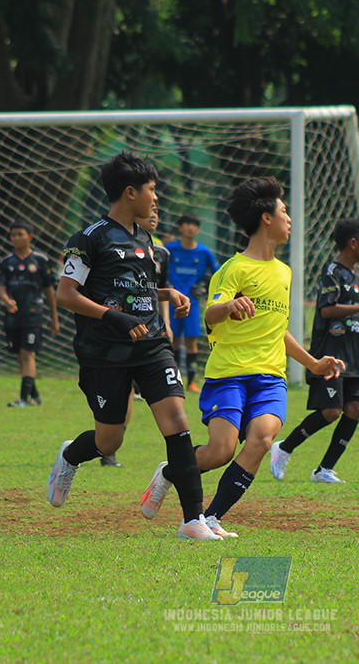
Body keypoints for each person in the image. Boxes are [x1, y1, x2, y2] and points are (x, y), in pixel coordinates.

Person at [139, 177, 344, 538]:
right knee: (220, 451)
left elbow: (276, 329)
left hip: (269, 376)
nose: (288, 218)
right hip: (229, 374)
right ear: (266, 218)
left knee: (263, 439)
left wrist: (312, 363)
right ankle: (171, 471)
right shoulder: (233, 269)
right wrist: (229, 305)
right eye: (283, 211)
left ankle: (210, 518)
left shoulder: (285, 272)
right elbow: (210, 314)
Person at [44, 151, 220, 541]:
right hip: (104, 351)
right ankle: (72, 455)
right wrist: (112, 317)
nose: (156, 198)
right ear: (129, 192)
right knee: (110, 439)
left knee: (177, 421)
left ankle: (194, 520)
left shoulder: (151, 243)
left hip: (152, 344)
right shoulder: (88, 239)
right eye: (152, 190)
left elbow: (134, 289)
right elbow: (66, 295)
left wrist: (166, 292)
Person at [269, 218, 359, 484]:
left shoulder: (353, 277)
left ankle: (324, 469)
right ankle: (284, 448)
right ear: (353, 243)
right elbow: (327, 309)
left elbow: (349, 317)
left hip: (355, 356)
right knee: (331, 411)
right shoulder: (332, 272)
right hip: (332, 353)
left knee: (355, 408)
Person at [111, 210, 175, 470]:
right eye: (149, 209)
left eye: (157, 211)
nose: (153, 213)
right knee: (123, 392)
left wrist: (167, 323)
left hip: (152, 335)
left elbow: (157, 290)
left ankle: (176, 468)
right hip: (119, 335)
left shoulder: (161, 252)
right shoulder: (112, 244)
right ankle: (111, 447)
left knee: (170, 403)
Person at [0, 221, 60, 408]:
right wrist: (7, 300)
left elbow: (49, 290)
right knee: (19, 355)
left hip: (33, 314)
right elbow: (1, 289)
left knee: (27, 354)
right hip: (13, 316)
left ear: (30, 237)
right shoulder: (6, 262)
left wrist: (54, 318)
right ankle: (35, 395)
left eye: (20, 234)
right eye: (13, 235)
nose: (16, 238)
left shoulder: (40, 260)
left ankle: (24, 399)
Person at [165, 215, 220, 392]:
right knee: (172, 340)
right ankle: (174, 379)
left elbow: (218, 275)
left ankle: (191, 382)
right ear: (180, 228)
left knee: (191, 342)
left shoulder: (204, 252)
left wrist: (205, 289)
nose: (191, 228)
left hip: (192, 303)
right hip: (172, 301)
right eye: (188, 224)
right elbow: (157, 268)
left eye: (195, 225)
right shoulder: (169, 250)